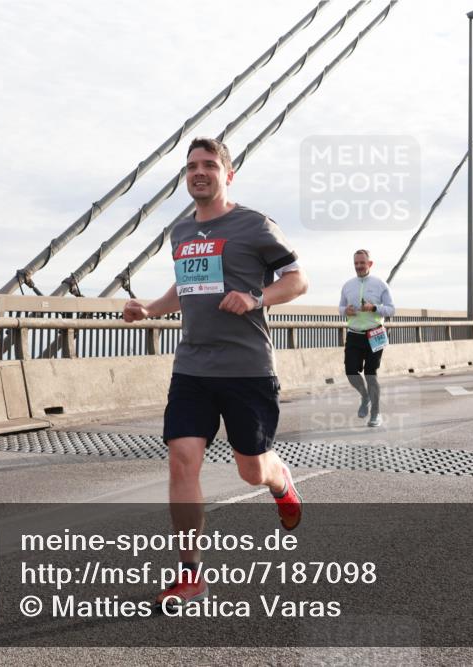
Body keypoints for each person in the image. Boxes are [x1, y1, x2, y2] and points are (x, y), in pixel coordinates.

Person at [123, 137, 308, 610]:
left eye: (208, 165)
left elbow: (297, 280)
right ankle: (190, 573)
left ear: (228, 174)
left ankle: (279, 479)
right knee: (182, 459)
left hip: (246, 369)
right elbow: (184, 290)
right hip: (192, 367)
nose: (198, 173)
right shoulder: (181, 233)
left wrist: (256, 297)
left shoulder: (254, 224)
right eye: (191, 167)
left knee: (251, 471)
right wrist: (149, 308)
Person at [338, 249, 395, 427]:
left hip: (375, 334)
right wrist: (344, 311)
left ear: (370, 264)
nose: (359, 266)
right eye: (356, 263)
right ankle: (365, 396)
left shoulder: (381, 284)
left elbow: (391, 309)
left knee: (371, 375)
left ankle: (375, 414)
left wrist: (374, 308)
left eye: (362, 263)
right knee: (351, 372)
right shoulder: (348, 285)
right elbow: (340, 307)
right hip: (354, 334)